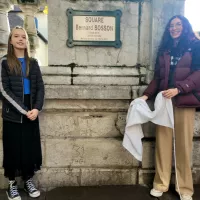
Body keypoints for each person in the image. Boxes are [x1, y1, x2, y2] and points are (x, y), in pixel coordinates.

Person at [141, 15, 200, 200]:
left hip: (184, 100)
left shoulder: (195, 45)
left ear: (185, 26)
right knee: (163, 143)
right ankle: (161, 183)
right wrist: (146, 95)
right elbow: (158, 77)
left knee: (183, 145)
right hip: (164, 101)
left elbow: (198, 72)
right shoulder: (165, 48)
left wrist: (179, 89)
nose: (174, 28)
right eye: (171, 25)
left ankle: (185, 189)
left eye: (178, 25)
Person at [0, 26, 44, 200]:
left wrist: (36, 108)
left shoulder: (33, 63)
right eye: (16, 36)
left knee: (29, 148)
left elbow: (40, 87)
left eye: (23, 37)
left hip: (31, 110)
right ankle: (11, 183)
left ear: (27, 41)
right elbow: (3, 90)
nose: (20, 39)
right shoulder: (4, 62)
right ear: (11, 41)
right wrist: (24, 110)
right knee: (12, 149)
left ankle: (27, 180)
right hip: (13, 112)